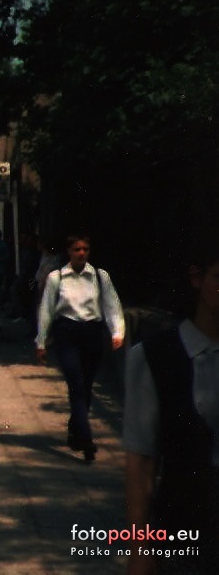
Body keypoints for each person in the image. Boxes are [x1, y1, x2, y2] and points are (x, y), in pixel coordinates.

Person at [123, 243, 219, 573]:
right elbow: (140, 459)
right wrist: (140, 546)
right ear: (197, 278)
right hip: (185, 526)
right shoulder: (155, 357)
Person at [35, 235, 124, 462]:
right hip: (67, 332)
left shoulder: (99, 276)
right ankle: (86, 438)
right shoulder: (57, 278)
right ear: (69, 252)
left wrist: (117, 331)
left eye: (85, 249)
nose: (81, 253)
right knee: (75, 382)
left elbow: (111, 304)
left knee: (86, 385)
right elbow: (46, 309)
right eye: (77, 249)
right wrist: (41, 340)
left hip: (92, 333)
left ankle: (76, 428)